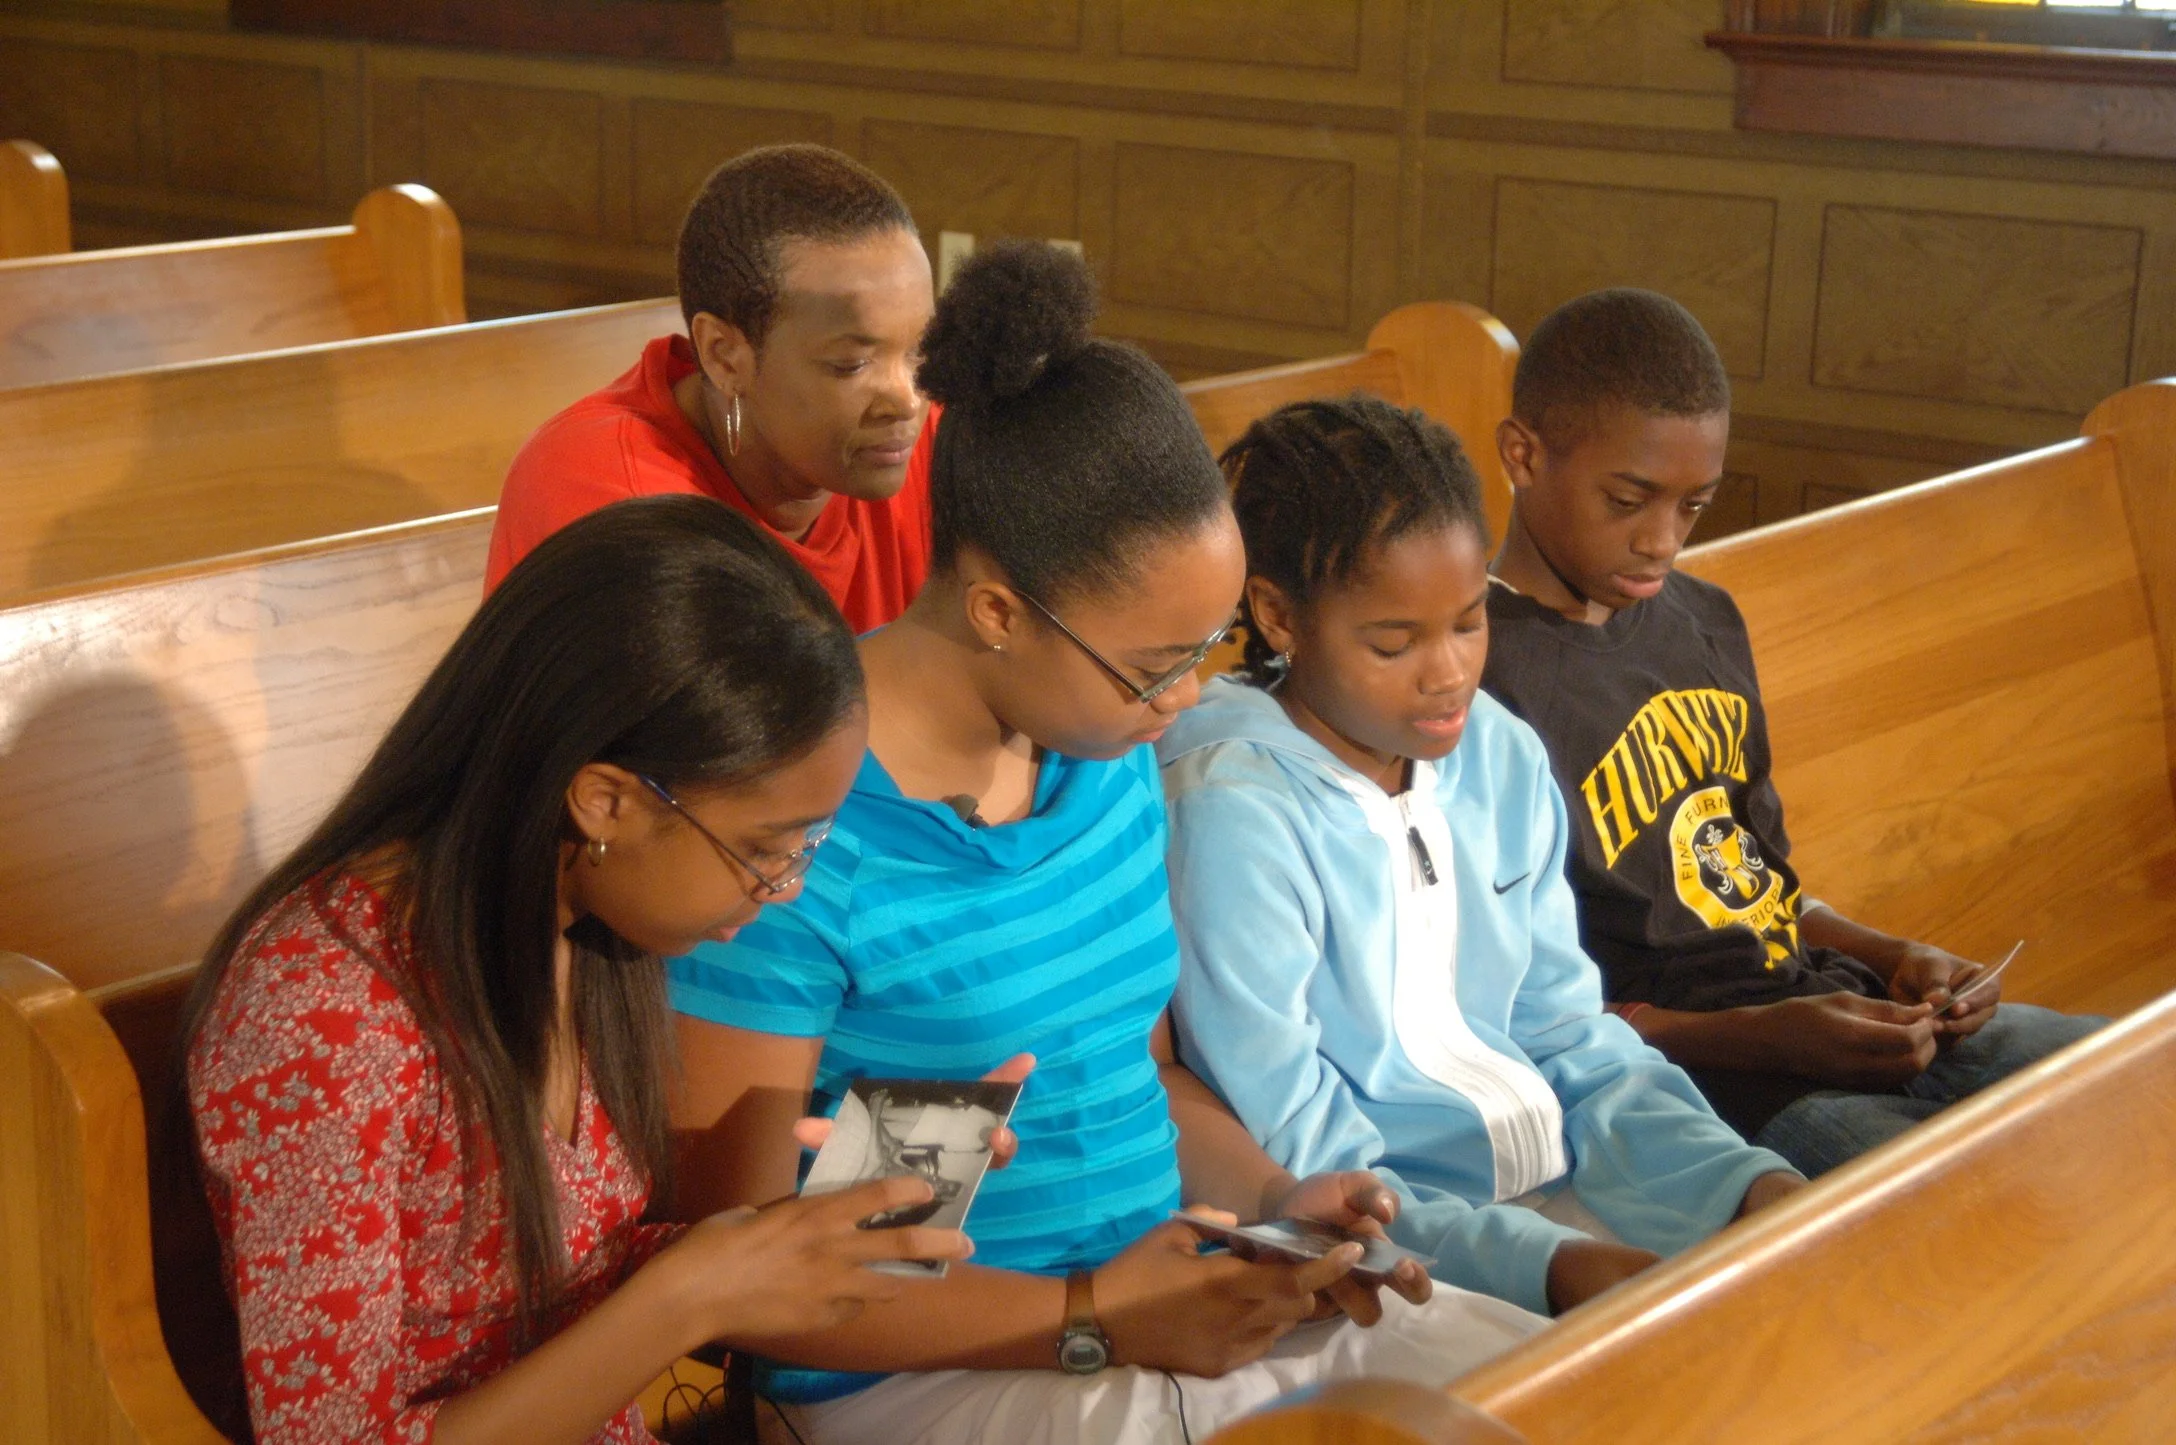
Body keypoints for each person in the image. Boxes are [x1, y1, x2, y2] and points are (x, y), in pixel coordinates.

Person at [667, 243, 1544, 1445]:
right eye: (1154, 665)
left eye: (1208, 648)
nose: (1189, 698)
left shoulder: (1101, 756)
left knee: (1561, 1385)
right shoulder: (795, 827)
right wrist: (1092, 1317)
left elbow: (1134, 1078)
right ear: (994, 612)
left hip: (1155, 1298)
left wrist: (1277, 1204)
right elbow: (747, 1282)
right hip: (927, 1368)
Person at [181, 497, 977, 1445]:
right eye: (766, 847)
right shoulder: (326, 1013)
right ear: (605, 800)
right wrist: (685, 1300)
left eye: (808, 843)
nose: (785, 888)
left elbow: (573, 1262)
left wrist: (837, 1225)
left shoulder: (586, 926)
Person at [1156, 395, 1801, 1322]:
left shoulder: (1499, 753)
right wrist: (1555, 1265)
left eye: (1467, 622)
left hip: (1564, 1185)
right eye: (1394, 640)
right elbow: (1309, 1152)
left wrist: (1742, 1183)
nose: (1448, 672)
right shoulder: (1231, 810)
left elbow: (1569, 1036)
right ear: (1277, 614)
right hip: (1392, 1256)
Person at [1478, 287, 2104, 1177]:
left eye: (1694, 506)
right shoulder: (1473, 676)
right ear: (1524, 454)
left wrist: (1896, 957)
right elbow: (1510, 1005)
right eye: (1630, 499)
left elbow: (1764, 884)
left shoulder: (1702, 620)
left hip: (1825, 1009)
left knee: (2135, 1084)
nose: (1662, 541)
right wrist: (1770, 1037)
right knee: (1965, 1214)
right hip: (1703, 1081)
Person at [485, 145, 939, 632]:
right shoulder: (619, 510)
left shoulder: (930, 445)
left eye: (920, 349)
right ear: (724, 355)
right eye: (851, 365)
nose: (908, 399)